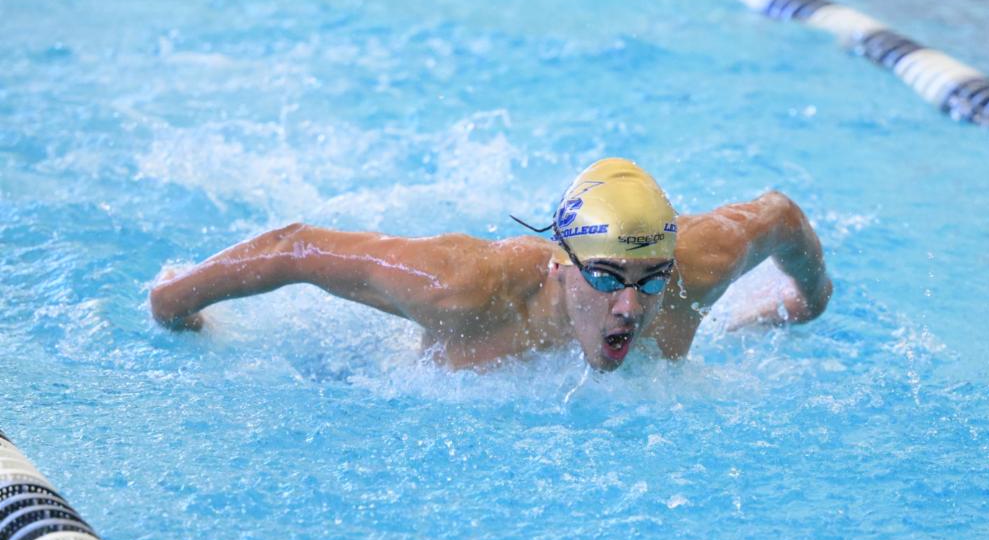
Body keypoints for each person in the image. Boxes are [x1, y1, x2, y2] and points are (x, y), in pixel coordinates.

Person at [150, 158, 832, 370]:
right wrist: (173, 304)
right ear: (562, 267)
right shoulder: (465, 288)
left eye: (650, 279)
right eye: (606, 279)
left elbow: (780, 215)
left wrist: (809, 300)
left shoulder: (693, 274)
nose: (631, 306)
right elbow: (294, 247)